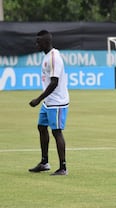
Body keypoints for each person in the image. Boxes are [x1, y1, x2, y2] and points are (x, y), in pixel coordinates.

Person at [28, 30, 69, 176]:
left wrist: (38, 99)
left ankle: (63, 167)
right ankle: (44, 162)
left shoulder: (54, 58)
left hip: (57, 102)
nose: (36, 44)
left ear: (46, 42)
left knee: (56, 132)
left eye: (38, 42)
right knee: (41, 127)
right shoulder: (47, 56)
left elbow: (54, 82)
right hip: (48, 102)